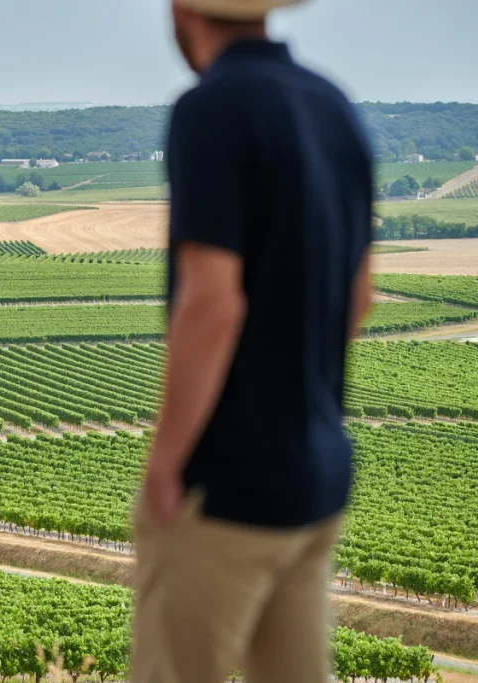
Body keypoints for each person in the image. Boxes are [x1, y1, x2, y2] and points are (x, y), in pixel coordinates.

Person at [133, 1, 374, 682]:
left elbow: (212, 303)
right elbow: (360, 296)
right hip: (316, 479)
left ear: (184, 13)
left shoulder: (210, 108)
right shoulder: (334, 105)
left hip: (229, 484)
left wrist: (169, 459)